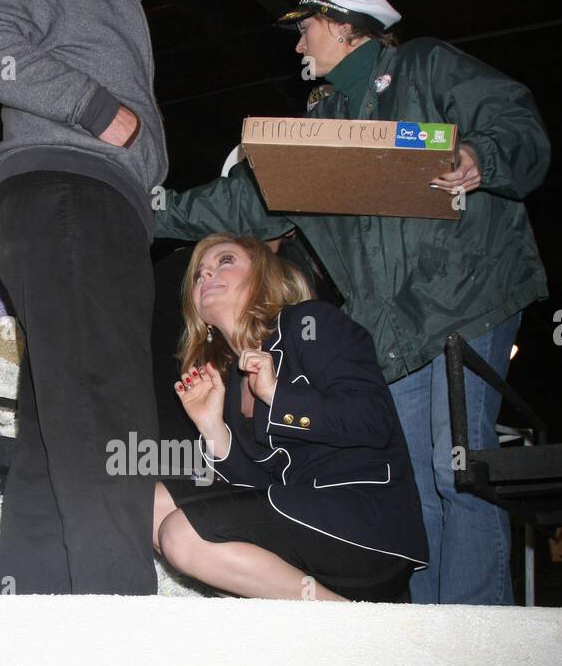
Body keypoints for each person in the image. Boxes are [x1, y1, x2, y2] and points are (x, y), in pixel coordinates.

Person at [153, 0, 551, 605]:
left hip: (465, 299)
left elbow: (515, 119)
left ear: (342, 25)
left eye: (306, 26)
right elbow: (240, 203)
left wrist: (482, 156)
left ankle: (478, 634)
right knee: (420, 487)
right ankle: (426, 641)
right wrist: (148, 208)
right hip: (395, 328)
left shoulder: (425, 67)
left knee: (458, 471)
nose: (298, 42)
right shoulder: (320, 132)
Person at [0, 0, 205, 595]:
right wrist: (101, 110)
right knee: (108, 417)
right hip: (69, 198)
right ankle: (117, 625)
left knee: (56, 432)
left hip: (95, 212)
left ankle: (27, 621)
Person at [154, 235, 428, 601]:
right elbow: (259, 488)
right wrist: (214, 430)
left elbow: (373, 420)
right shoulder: (232, 378)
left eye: (224, 261)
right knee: (149, 505)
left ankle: (354, 622)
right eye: (199, 274)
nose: (207, 275)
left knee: (181, 535)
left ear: (263, 275)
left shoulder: (309, 323)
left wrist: (277, 395)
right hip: (300, 523)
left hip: (365, 527)